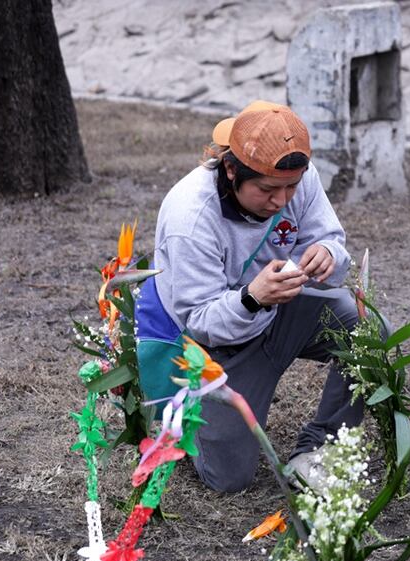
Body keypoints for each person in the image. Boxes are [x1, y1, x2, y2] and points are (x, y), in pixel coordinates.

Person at [136, 100, 360, 492]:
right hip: (214, 347)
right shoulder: (191, 217)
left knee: (361, 328)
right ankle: (186, 409)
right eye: (268, 190)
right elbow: (199, 322)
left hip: (278, 312)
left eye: (292, 186)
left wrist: (328, 254)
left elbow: (331, 239)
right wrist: (252, 298)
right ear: (231, 169)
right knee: (230, 479)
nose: (282, 200)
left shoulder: (295, 179)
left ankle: (319, 449)